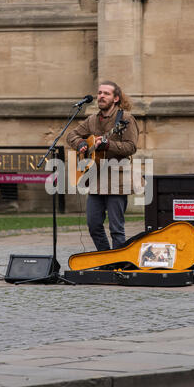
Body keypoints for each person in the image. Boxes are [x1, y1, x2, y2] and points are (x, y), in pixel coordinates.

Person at [66, 80, 139, 258]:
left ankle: (120, 263)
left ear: (115, 98)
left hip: (117, 180)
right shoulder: (92, 120)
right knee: (93, 225)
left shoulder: (126, 119)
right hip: (95, 179)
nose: (101, 96)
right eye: (99, 93)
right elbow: (71, 135)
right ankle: (107, 258)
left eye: (106, 93)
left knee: (116, 228)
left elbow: (131, 147)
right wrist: (82, 143)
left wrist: (107, 145)